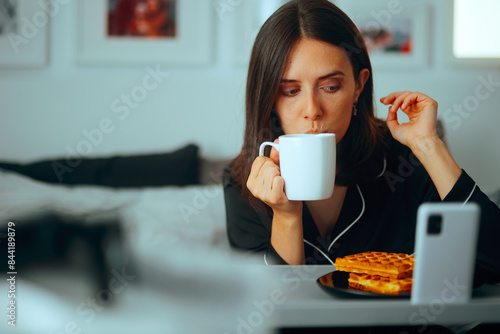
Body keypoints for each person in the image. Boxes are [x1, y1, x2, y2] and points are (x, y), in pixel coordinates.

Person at [223, 0, 500, 286]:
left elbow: (492, 261)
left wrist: (429, 145)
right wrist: (287, 217)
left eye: (330, 87)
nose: (312, 109)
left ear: (358, 86)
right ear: (270, 100)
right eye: (291, 91)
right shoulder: (242, 181)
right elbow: (267, 310)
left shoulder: (403, 161)